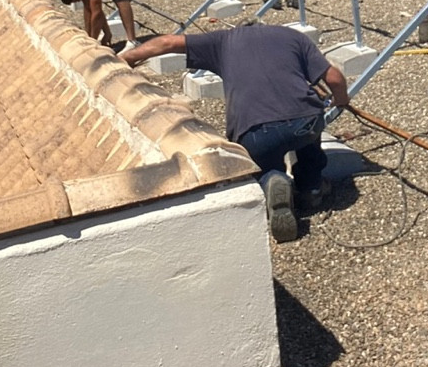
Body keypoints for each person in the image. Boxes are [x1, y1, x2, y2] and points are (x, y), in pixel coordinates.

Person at [121, 23, 350, 242]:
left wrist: (127, 58)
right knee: (308, 136)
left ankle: (272, 180)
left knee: (262, 162)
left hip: (255, 129)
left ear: (241, 28)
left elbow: (167, 42)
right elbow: (334, 78)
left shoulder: (224, 40)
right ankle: (311, 188)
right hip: (305, 120)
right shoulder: (292, 36)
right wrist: (341, 101)